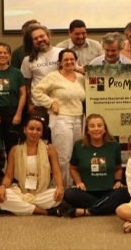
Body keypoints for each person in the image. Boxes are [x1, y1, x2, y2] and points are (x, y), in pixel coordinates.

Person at [32, 49, 85, 188]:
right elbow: (37, 91)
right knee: (63, 156)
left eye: (72, 59)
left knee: (75, 156)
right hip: (61, 118)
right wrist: (51, 103)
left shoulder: (80, 78)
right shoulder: (53, 76)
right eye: (65, 59)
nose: (69, 62)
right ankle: (60, 189)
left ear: (76, 61)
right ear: (60, 62)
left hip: (79, 119)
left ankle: (74, 187)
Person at [0, 116, 66, 216]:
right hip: (21, 191)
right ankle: (45, 211)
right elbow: (8, 176)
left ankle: (23, 207)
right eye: (31, 129)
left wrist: (60, 187)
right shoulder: (15, 150)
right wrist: (2, 187)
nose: (35, 132)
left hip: (43, 192)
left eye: (38, 130)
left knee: (58, 195)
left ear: (42, 133)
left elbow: (57, 172)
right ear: (25, 130)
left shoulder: (49, 149)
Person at [63, 114, 130, 217]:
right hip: (86, 192)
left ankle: (87, 211)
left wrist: (118, 181)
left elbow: (118, 168)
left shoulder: (114, 145)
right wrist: (78, 182)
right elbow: (73, 168)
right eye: (92, 126)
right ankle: (107, 207)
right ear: (87, 130)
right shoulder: (79, 145)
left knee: (126, 192)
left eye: (99, 125)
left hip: (109, 190)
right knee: (68, 194)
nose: (96, 129)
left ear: (104, 129)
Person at [20, 25, 62, 109]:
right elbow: (26, 85)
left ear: (48, 36)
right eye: (35, 39)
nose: (39, 39)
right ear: (31, 42)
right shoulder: (28, 60)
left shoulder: (62, 53)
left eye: (42, 36)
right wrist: (29, 104)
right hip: (38, 104)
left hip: (60, 102)